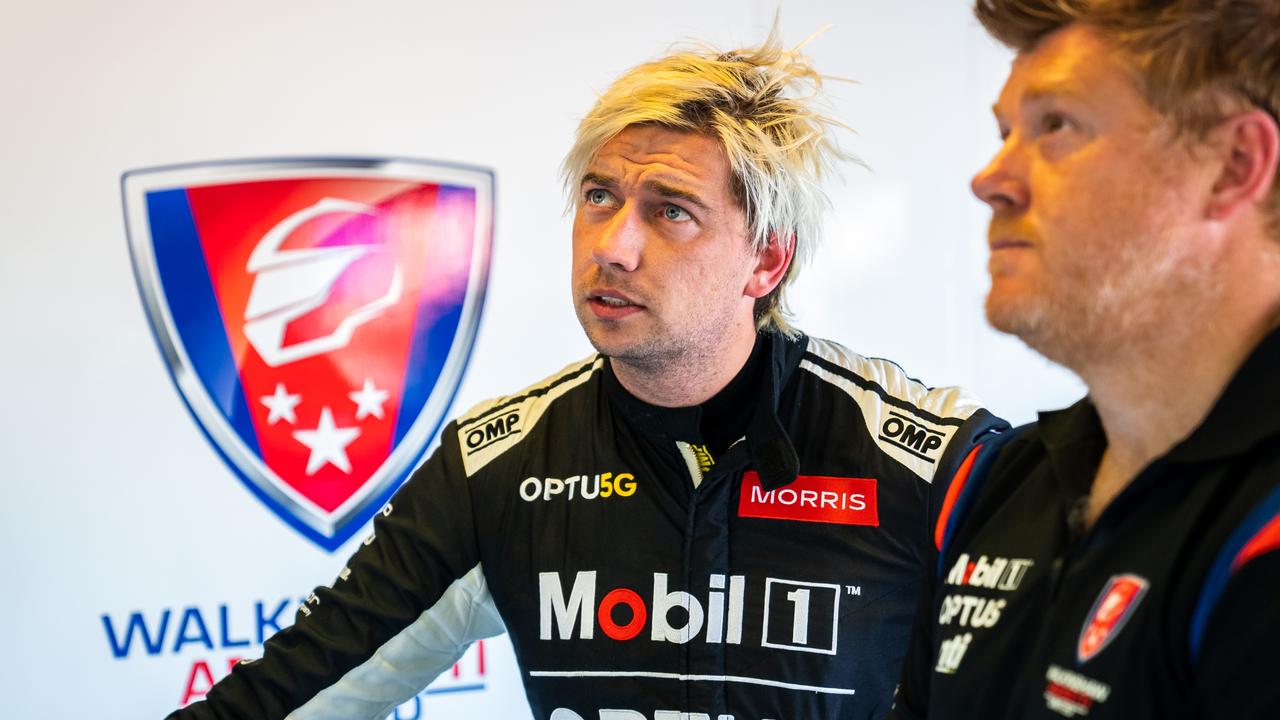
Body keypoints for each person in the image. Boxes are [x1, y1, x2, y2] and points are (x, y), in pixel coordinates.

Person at [169, 30, 1004, 720]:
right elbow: (302, 682)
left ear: (766, 259)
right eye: (601, 197)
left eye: (670, 211)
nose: (613, 245)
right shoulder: (500, 466)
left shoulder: (925, 464)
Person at [889, 2, 1280, 719]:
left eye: (1056, 126)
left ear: (1234, 166)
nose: (990, 178)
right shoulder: (1000, 482)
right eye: (1005, 132)